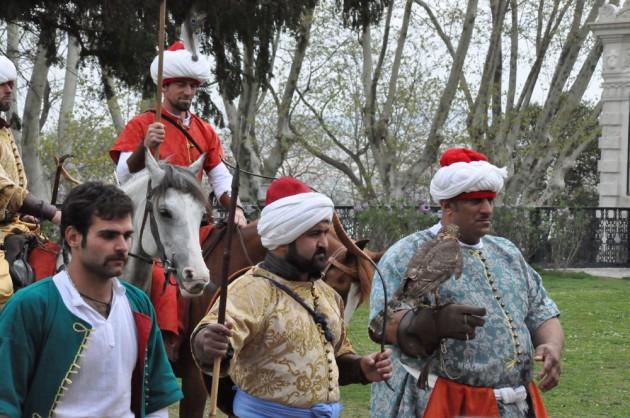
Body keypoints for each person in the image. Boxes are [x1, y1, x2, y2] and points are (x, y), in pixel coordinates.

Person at [368, 148, 565, 418]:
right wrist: (428, 323)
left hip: (515, 405)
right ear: (447, 206)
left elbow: (542, 311)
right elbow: (381, 323)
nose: (487, 209)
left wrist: (551, 345)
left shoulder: (507, 252)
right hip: (441, 403)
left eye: (490, 200)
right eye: (475, 201)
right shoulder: (407, 252)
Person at [191, 176, 393, 418]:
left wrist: (361, 367)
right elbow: (212, 334)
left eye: (326, 232)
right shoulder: (250, 290)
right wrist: (207, 341)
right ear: (283, 240)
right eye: (314, 234)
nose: (324, 243)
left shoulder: (329, 296)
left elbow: (335, 354)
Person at [0, 182, 182, 418]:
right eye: (109, 235)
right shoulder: (32, 306)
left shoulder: (138, 304)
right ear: (74, 237)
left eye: (127, 236)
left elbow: (157, 396)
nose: (122, 246)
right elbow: (5, 402)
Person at [109, 41, 246, 352]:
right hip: (154, 223)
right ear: (165, 87)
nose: (188, 92)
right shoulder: (143, 123)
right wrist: (145, 145)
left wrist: (235, 208)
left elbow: (220, 178)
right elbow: (122, 176)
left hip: (194, 219)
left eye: (193, 86)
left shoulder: (205, 131)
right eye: (181, 85)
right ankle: (166, 345)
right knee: (160, 276)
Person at [0, 55, 61, 310]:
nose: (9, 89)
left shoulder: (3, 130)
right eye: (2, 83)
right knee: (3, 289)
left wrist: (23, 216)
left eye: (11, 83)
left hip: (9, 228)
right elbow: (4, 188)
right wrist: (51, 212)